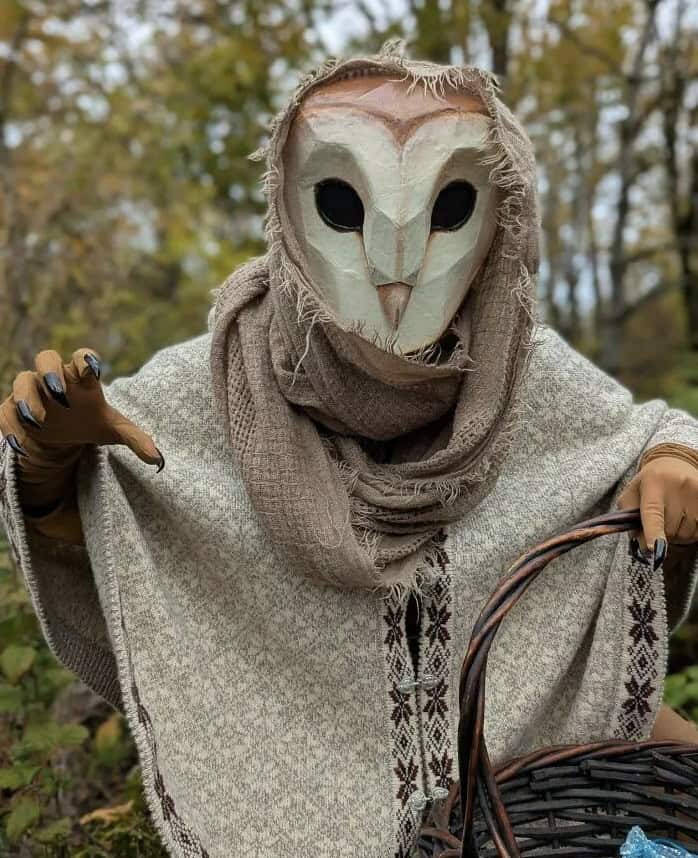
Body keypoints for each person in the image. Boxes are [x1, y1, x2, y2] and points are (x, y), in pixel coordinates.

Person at [1, 43, 697, 858]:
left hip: (524, 808)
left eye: (448, 207)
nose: (393, 266)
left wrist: (675, 463)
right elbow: (112, 520)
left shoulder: (525, 374)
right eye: (340, 198)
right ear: (288, 213)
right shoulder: (215, 380)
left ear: (498, 217)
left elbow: (648, 431)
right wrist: (51, 471)